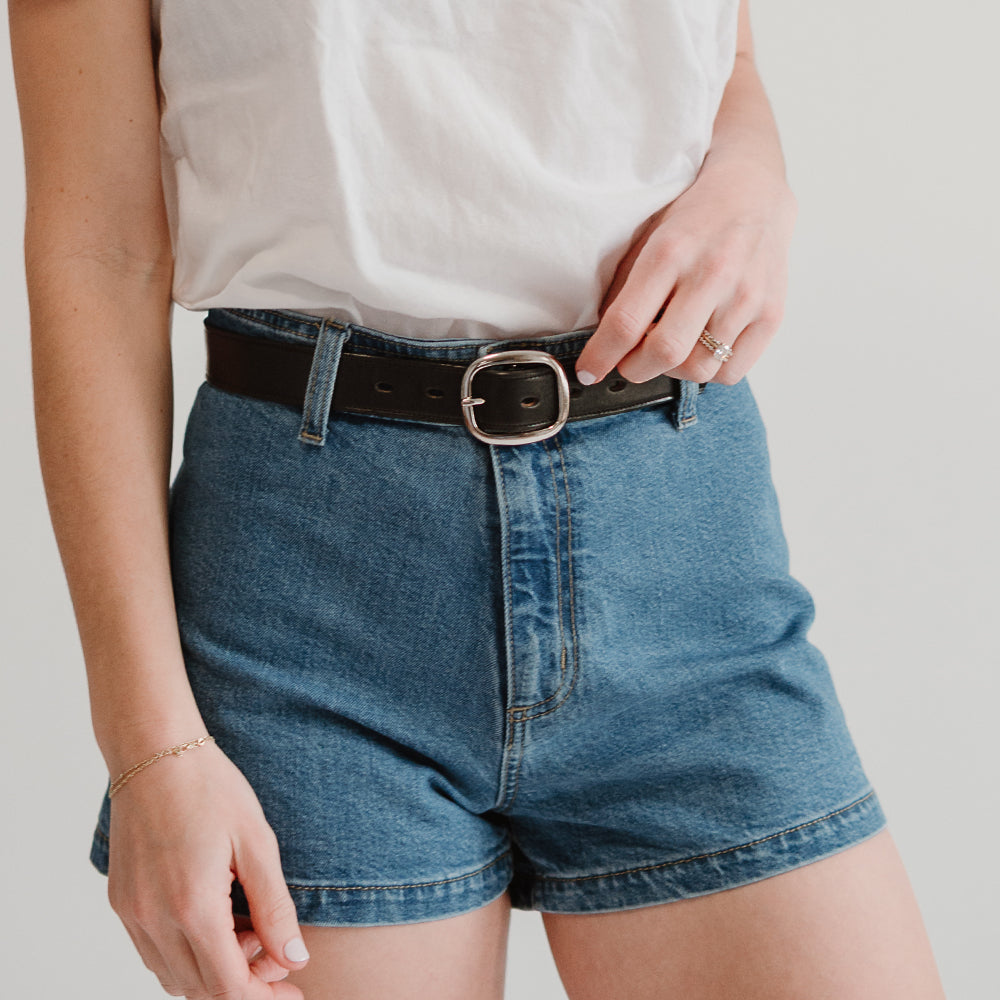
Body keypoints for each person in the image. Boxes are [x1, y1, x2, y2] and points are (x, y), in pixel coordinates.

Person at [9, 1, 947, 997]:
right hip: (314, 595)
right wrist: (148, 750)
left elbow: (715, 51)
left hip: (679, 543)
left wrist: (753, 166)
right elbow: (98, 251)